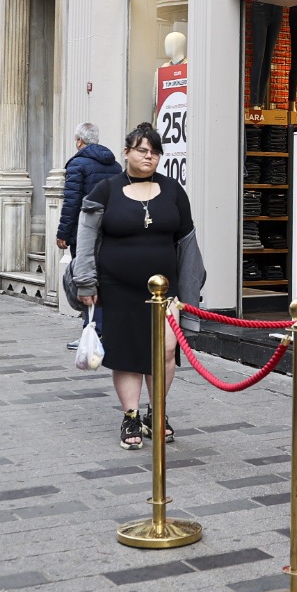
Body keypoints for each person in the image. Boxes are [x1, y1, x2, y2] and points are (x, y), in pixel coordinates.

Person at [72, 124, 204, 450]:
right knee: (128, 354)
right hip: (117, 287)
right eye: (143, 150)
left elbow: (188, 244)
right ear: (127, 151)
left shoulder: (173, 191)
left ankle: (155, 413)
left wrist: (191, 292)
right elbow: (86, 239)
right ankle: (131, 415)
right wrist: (85, 281)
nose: (149, 156)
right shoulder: (106, 189)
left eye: (155, 151)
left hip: (165, 290)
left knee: (167, 350)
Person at [56, 123, 122, 254]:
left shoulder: (76, 164)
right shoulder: (116, 166)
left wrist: (63, 233)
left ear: (80, 141)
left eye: (76, 140)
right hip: (110, 230)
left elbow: (71, 202)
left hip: (84, 230)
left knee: (82, 270)